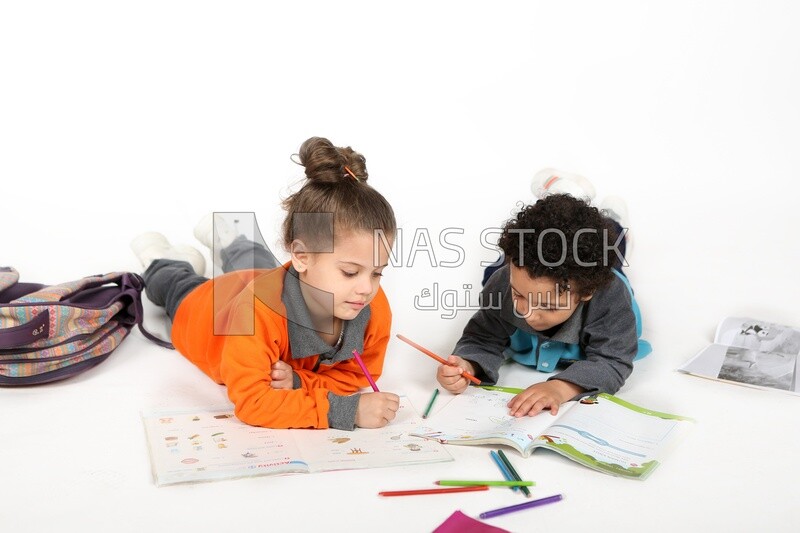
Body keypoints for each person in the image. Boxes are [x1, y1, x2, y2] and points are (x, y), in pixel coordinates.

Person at [130, 137, 400, 430]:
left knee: (257, 261)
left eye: (377, 273)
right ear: (301, 257)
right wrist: (346, 411)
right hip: (208, 308)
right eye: (350, 272)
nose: (366, 288)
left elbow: (356, 377)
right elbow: (254, 402)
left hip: (266, 279)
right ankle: (162, 258)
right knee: (172, 284)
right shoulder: (257, 312)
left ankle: (229, 240)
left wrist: (299, 380)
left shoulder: (370, 304)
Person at [437, 169, 651, 417]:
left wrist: (560, 388)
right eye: (519, 296)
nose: (527, 313)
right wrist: (467, 364)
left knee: (613, 250)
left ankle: (614, 221)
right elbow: (482, 338)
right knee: (493, 272)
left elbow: (612, 360)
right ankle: (557, 199)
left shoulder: (609, 298)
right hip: (517, 268)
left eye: (548, 306)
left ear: (586, 293)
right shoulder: (505, 281)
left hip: (603, 274)